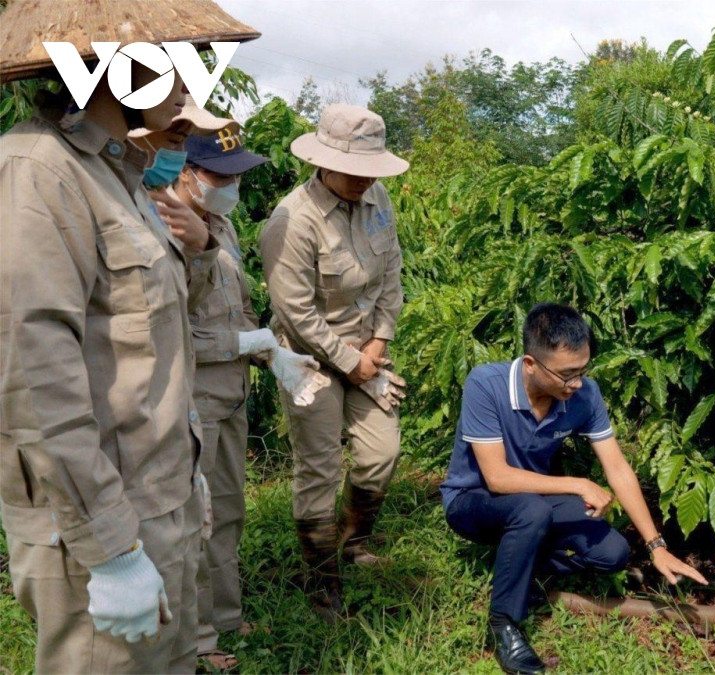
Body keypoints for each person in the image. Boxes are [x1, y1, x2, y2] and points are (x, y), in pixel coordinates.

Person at [0, 1, 260, 672]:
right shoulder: (39, 170)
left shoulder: (126, 179)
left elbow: (151, 352)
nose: (191, 87)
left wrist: (186, 483)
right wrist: (112, 547)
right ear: (129, 69)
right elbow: (35, 379)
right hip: (102, 523)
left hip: (158, 502)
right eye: (180, 62)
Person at [441, 303, 709, 674]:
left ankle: (517, 560)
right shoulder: (486, 384)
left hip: (534, 501)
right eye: (568, 375)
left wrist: (656, 545)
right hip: (474, 502)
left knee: (612, 552)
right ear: (531, 363)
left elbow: (616, 467)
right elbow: (497, 478)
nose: (577, 383)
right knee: (529, 510)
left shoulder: (583, 395)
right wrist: (578, 483)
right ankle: (503, 624)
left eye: (583, 370)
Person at [168, 129, 330, 669]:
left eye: (238, 172)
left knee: (228, 512)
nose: (233, 183)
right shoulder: (166, 229)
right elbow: (163, 333)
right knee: (195, 520)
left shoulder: (223, 225)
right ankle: (197, 641)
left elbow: (235, 311)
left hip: (229, 394)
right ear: (183, 171)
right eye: (220, 174)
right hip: (188, 401)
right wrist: (246, 343)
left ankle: (226, 617)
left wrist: (273, 356)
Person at [258, 103, 409, 622]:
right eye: (355, 172)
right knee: (319, 466)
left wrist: (379, 343)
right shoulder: (291, 220)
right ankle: (322, 579)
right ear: (324, 163)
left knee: (380, 452)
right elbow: (294, 313)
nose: (365, 181)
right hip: (307, 359)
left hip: (365, 353)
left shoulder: (377, 198)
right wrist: (351, 362)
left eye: (372, 172)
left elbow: (391, 271)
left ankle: (353, 540)